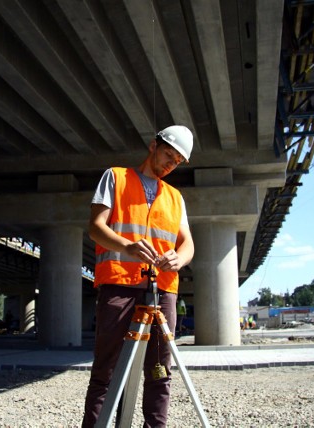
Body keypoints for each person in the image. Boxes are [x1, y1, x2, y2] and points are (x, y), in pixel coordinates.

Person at [82, 125, 195, 427]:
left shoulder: (175, 197)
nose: (170, 164)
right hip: (119, 284)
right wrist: (127, 247)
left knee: (160, 371)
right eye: (168, 155)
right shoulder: (116, 178)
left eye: (177, 161)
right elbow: (95, 225)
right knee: (106, 370)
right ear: (152, 146)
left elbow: (188, 244)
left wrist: (179, 258)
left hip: (162, 290)